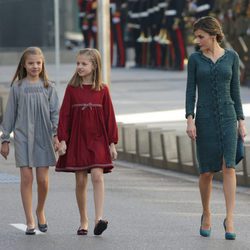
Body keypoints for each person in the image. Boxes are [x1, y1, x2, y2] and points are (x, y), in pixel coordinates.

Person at [185, 16, 246, 240]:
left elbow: (235, 92)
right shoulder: (195, 60)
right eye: (197, 36)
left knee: (229, 167)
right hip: (205, 118)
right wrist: (189, 119)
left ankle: (230, 218)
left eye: (201, 36)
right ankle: (207, 213)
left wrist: (241, 120)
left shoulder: (232, 57)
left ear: (213, 35)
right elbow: (190, 91)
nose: (197, 40)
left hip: (228, 117)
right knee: (206, 172)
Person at [56, 48, 118, 236]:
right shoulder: (72, 89)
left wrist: (112, 142)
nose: (80, 67)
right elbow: (64, 115)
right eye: (78, 63)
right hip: (77, 140)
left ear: (94, 65)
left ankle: (99, 219)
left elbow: (110, 117)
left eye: (84, 63)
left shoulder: (103, 89)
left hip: (98, 139)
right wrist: (62, 140)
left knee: (97, 176)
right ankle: (84, 220)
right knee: (81, 180)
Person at [0, 47, 59, 235]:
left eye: (38, 63)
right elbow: (9, 115)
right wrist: (5, 139)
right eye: (31, 63)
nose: (35, 66)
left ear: (42, 64)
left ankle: (40, 210)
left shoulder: (49, 87)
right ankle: (30, 220)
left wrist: (57, 136)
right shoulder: (17, 87)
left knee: (42, 180)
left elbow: (55, 114)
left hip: (43, 136)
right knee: (27, 178)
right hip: (23, 136)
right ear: (24, 65)